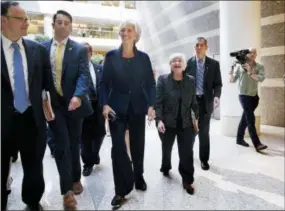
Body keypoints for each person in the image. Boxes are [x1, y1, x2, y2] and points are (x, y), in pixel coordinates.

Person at [1, 1, 56, 210]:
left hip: (32, 120)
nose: (27, 23)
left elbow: (47, 86)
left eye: (27, 18)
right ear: (3, 21)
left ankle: (33, 201)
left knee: (34, 167)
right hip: (2, 121)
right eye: (21, 18)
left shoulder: (37, 50)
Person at [100, 20, 156, 208]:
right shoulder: (111, 56)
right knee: (118, 148)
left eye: (129, 30)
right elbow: (104, 83)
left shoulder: (143, 58)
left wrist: (151, 105)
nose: (125, 33)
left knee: (138, 145)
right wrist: (105, 104)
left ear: (136, 34)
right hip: (116, 108)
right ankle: (120, 190)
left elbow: (149, 83)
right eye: (122, 30)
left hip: (138, 107)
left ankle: (138, 176)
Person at [42, 10, 93, 208]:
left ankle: (75, 177)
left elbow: (83, 76)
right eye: (59, 22)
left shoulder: (79, 50)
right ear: (53, 25)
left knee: (74, 142)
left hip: (75, 105)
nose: (63, 25)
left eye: (66, 23)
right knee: (62, 145)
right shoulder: (42, 48)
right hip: (53, 107)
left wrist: (78, 96)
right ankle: (67, 191)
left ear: (70, 27)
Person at [156, 53, 199, 195]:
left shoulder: (191, 80)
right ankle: (166, 166)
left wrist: (196, 120)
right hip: (167, 123)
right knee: (166, 147)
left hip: (186, 123)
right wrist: (159, 120)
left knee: (186, 152)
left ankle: (187, 180)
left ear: (184, 64)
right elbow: (159, 102)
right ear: (170, 65)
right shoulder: (162, 80)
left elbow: (194, 102)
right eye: (173, 60)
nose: (176, 62)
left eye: (179, 60)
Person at [185, 37, 222, 171]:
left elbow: (218, 84)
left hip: (206, 103)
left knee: (204, 133)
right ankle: (187, 155)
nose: (199, 47)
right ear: (193, 47)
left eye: (201, 45)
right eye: (196, 45)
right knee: (190, 131)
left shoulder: (213, 64)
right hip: (191, 103)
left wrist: (216, 96)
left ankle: (204, 160)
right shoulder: (188, 64)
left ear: (206, 47)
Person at [229, 48, 268, 152]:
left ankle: (239, 139)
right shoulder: (240, 66)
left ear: (256, 54)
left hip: (254, 97)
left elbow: (261, 78)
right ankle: (257, 144)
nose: (252, 53)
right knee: (250, 119)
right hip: (243, 96)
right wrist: (231, 72)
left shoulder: (259, 67)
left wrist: (250, 72)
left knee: (245, 118)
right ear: (247, 53)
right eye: (250, 52)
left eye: (254, 52)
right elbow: (232, 80)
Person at [81, 42, 106, 177]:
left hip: (99, 106)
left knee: (100, 133)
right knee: (85, 137)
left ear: (91, 53)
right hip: (84, 107)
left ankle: (95, 154)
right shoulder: (77, 69)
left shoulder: (99, 68)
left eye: (87, 52)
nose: (84, 55)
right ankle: (87, 164)